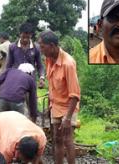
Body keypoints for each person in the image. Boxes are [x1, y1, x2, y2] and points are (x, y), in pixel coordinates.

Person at [38, 31, 80, 164]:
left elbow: (75, 94)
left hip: (68, 107)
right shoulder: (49, 59)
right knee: (57, 139)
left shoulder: (68, 64)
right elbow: (52, 83)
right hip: (55, 105)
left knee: (68, 140)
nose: (41, 49)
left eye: (42, 46)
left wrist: (67, 118)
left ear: (51, 45)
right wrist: (50, 103)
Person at [6, 22, 45, 88]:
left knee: (32, 98)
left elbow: (40, 65)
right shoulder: (12, 47)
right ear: (20, 34)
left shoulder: (36, 47)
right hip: (16, 80)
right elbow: (9, 65)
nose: (25, 39)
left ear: (31, 35)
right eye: (23, 36)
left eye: (28, 37)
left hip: (31, 81)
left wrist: (41, 77)